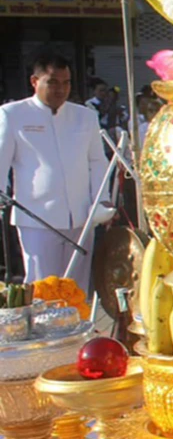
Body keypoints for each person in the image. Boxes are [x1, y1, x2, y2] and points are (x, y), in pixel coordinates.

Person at [0, 55, 116, 289]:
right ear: (35, 81)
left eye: (66, 83)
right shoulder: (12, 114)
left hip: (82, 217)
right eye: (52, 82)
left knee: (76, 288)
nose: (60, 89)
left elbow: (97, 161)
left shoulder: (85, 116)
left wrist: (101, 200)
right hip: (37, 219)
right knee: (43, 287)